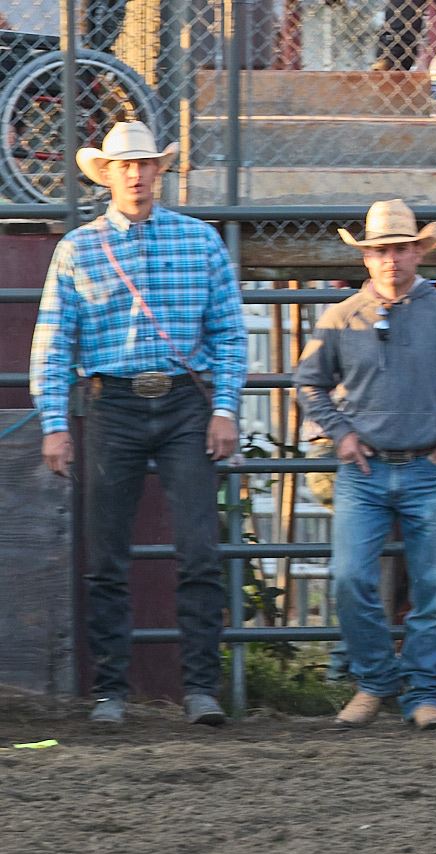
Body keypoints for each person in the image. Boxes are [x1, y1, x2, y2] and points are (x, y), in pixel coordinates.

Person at [29, 121, 247, 726]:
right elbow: (53, 343)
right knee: (106, 556)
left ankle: (200, 689)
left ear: (158, 170)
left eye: (146, 164)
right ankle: (111, 692)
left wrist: (224, 407)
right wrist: (54, 421)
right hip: (112, 401)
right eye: (126, 165)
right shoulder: (77, 248)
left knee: (200, 549)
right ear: (108, 174)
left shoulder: (201, 243)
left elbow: (229, 333)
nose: (136, 174)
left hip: (184, 403)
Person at [294, 200, 436, 731]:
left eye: (400, 249)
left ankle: (420, 692)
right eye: (382, 251)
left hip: (429, 467)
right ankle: (377, 680)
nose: (391, 259)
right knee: (349, 578)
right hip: (367, 469)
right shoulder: (342, 317)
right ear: (368, 258)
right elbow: (308, 383)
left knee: (435, 587)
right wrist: (343, 435)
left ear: (419, 252)